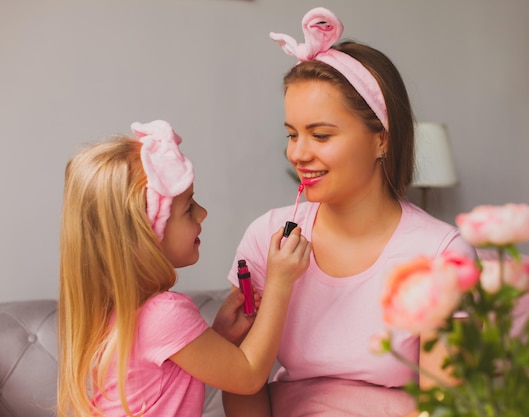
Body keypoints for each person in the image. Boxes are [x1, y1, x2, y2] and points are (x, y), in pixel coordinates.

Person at [221, 7, 476, 417]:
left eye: (320, 135)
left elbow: (445, 405)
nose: (298, 154)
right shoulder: (266, 238)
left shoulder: (441, 254)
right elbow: (242, 380)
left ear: (381, 139)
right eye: (292, 134)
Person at [56, 120, 311, 417]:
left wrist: (220, 337)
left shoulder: (115, 312)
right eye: (188, 207)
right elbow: (249, 377)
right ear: (144, 235)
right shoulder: (165, 313)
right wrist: (280, 282)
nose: (202, 213)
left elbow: (169, 367)